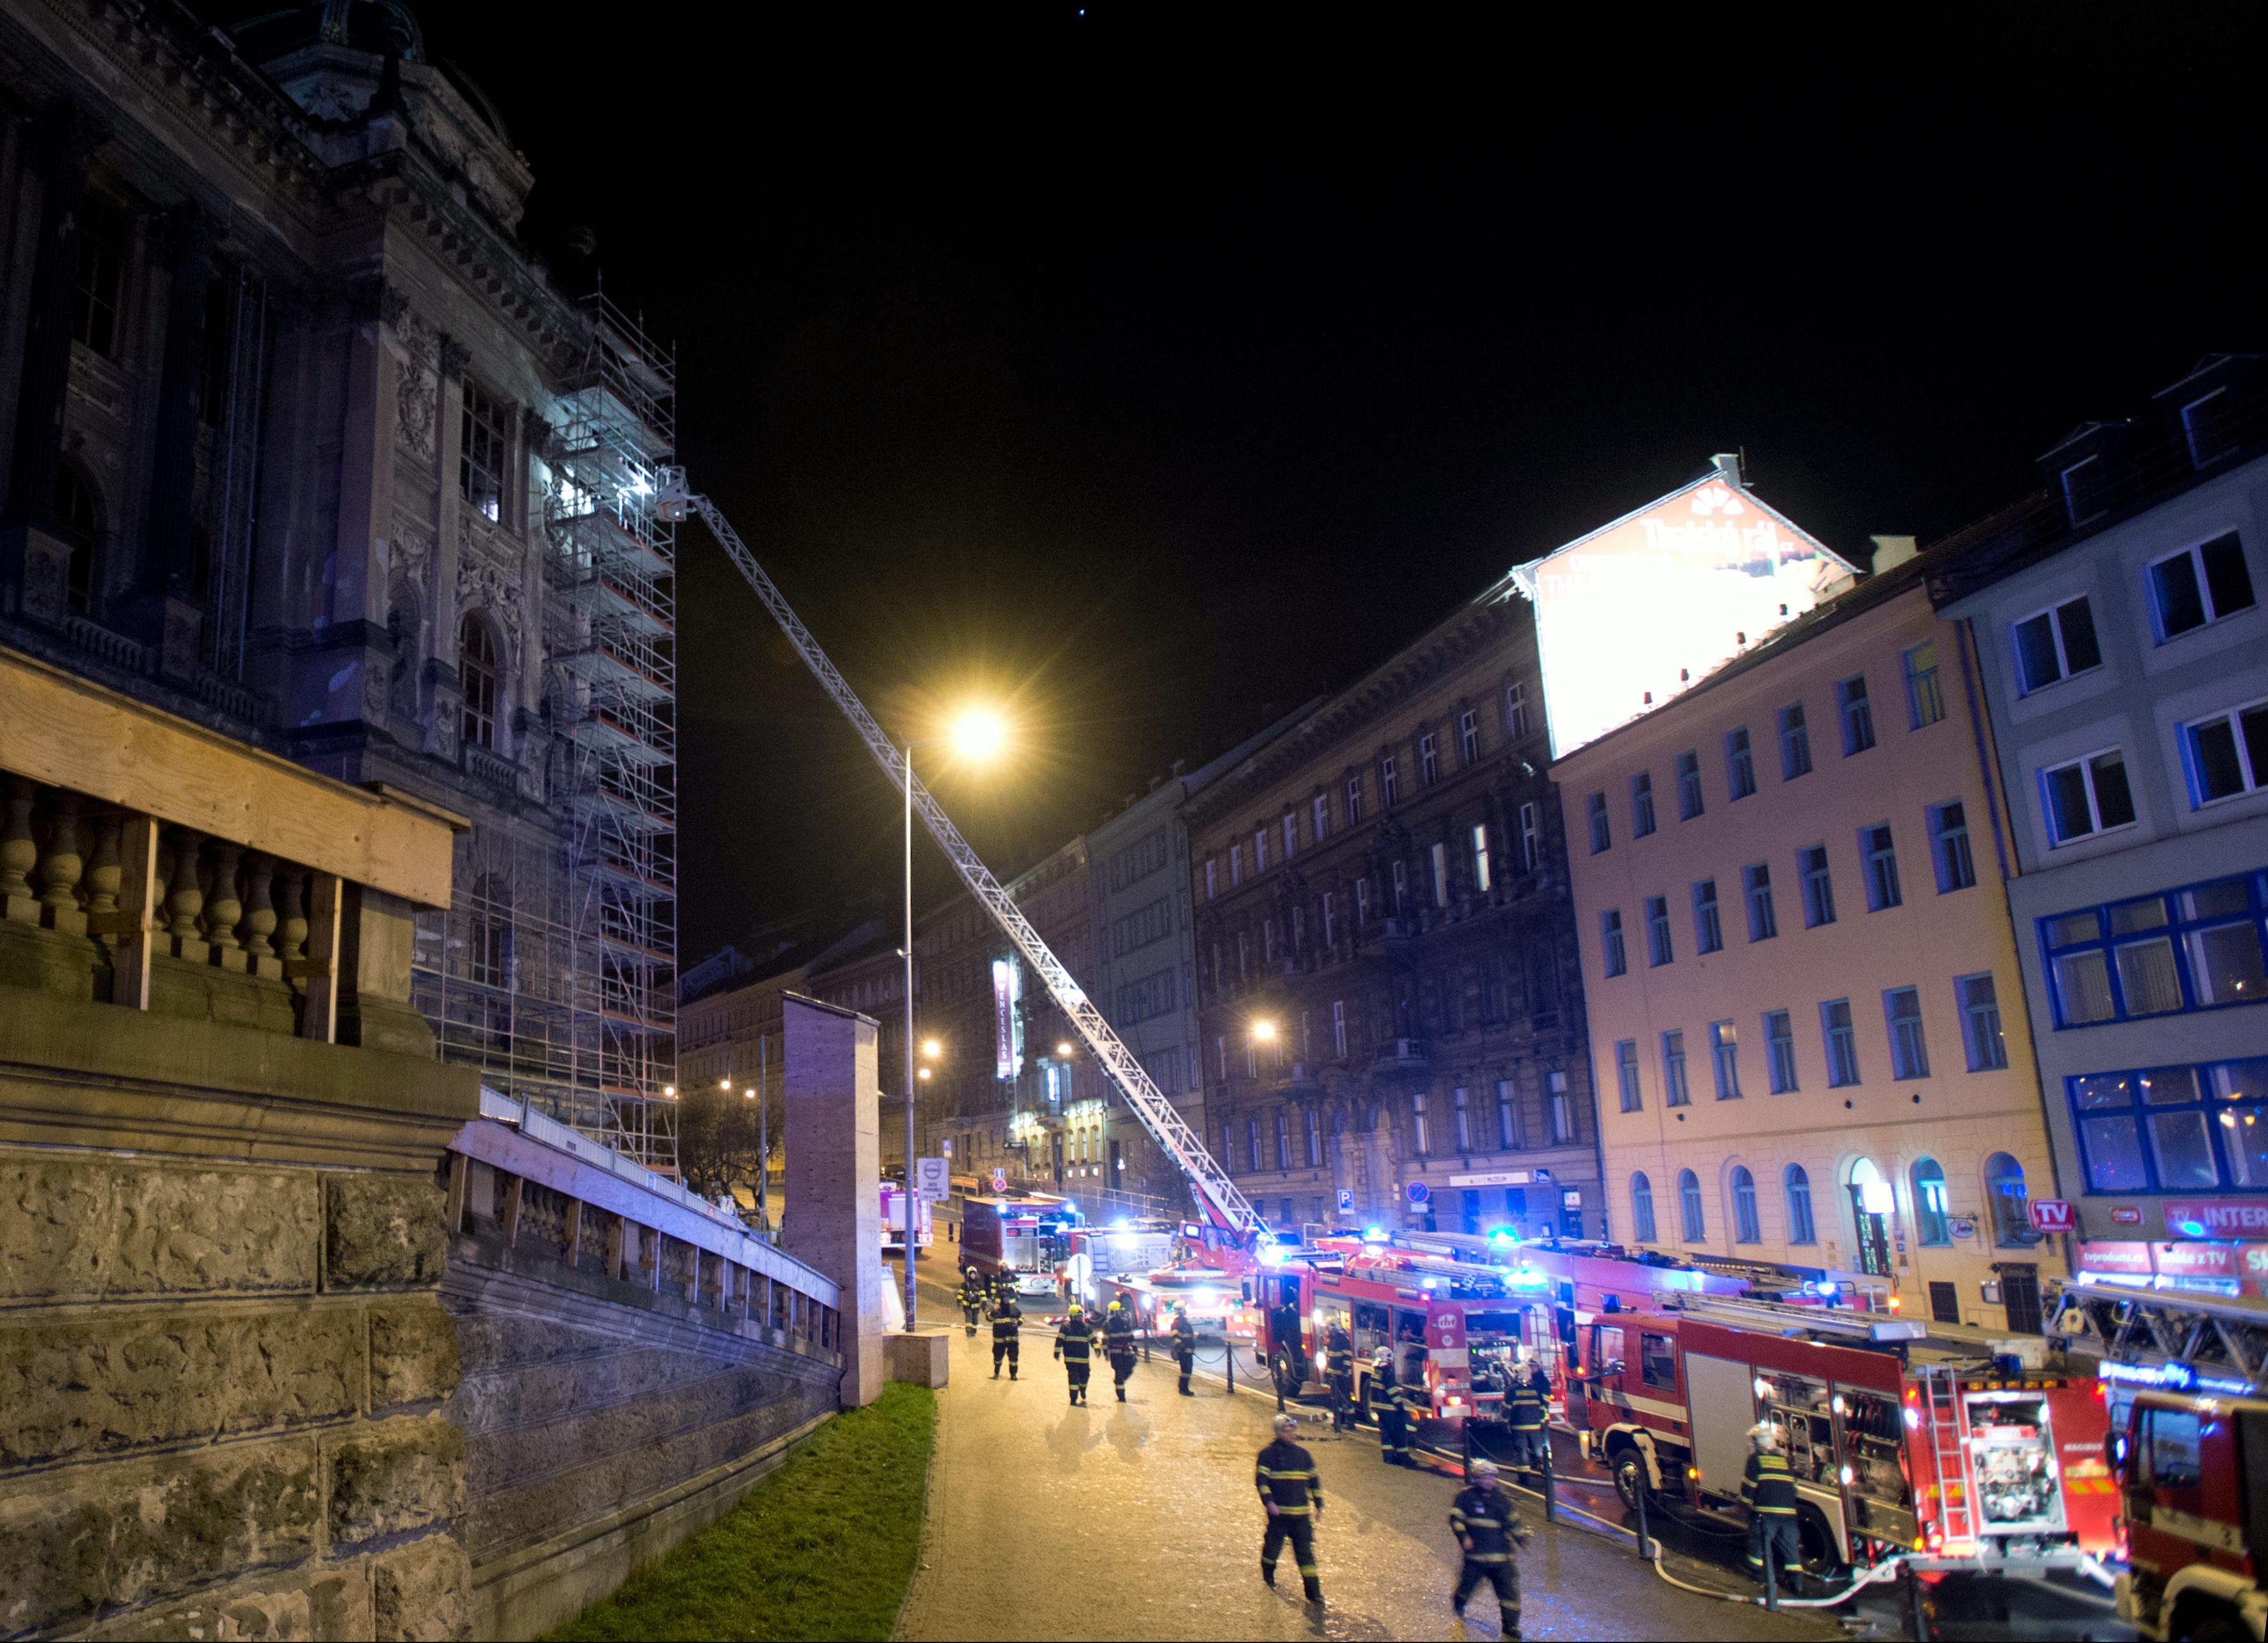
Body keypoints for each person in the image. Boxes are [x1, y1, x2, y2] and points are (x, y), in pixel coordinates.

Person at [1450, 1458, 1531, 1640]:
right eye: (1486, 1477)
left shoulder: (1501, 1500)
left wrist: (1521, 1538)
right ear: (1477, 1478)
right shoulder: (1466, 1498)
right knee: (1467, 1587)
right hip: (1476, 1558)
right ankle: (1459, 1603)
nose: (1489, 1481)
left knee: (1509, 1593)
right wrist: (1464, 1537)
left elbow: (1513, 1522)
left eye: (1492, 1478)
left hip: (1502, 1559)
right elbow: (1456, 1519)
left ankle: (1511, 1626)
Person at [1255, 1413, 1325, 1605]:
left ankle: (1314, 1593)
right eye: (1286, 1431)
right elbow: (1262, 1481)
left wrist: (1319, 1505)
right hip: (1279, 1516)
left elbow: (1314, 1481)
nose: (1290, 1434)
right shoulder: (1267, 1455)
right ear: (1279, 1433)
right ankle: (1268, 1574)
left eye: (1292, 1431)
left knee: (1306, 1555)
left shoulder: (1304, 1456)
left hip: (1301, 1516)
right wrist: (1269, 1502)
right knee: (1272, 1548)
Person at [1740, 1422, 1800, 1593]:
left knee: (1758, 1540)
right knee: (1790, 1545)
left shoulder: (1755, 1460)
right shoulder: (1785, 1461)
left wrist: (1743, 1504)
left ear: (1757, 1443)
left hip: (1765, 1513)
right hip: (1789, 1513)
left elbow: (1749, 1485)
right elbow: (1794, 1488)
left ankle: (1757, 1575)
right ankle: (1796, 1581)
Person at [1503, 1356, 1548, 1481]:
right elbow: (1543, 1407)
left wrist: (1504, 1421)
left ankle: (1524, 1479)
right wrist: (1542, 1422)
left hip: (1518, 1427)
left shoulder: (1511, 1390)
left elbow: (1506, 1409)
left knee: (1521, 1451)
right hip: (1535, 1426)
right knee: (1539, 1451)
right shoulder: (1537, 1389)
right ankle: (1546, 1473)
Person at [1373, 1349, 1412, 1466]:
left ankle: (1388, 1458)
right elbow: (1392, 1392)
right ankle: (1404, 1459)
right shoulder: (1387, 1373)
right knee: (1399, 1433)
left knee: (1386, 1434)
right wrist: (1400, 1406)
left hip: (1380, 1409)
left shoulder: (1376, 1372)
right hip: (1390, 1409)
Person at [1055, 1301, 1094, 1404]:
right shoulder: (1065, 1327)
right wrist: (1057, 1352)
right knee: (1073, 1378)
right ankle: (1073, 1398)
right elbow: (1060, 1340)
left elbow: (1093, 1340)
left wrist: (1097, 1348)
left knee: (1085, 1376)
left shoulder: (1087, 1327)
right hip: (1071, 1359)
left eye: (1081, 1316)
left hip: (1084, 1359)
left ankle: (1082, 1388)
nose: (1081, 1318)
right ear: (1072, 1317)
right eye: (1078, 1316)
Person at [1323, 1316, 1355, 1431]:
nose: (1327, 1329)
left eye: (1328, 1326)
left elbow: (1348, 1355)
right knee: (1336, 1399)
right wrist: (1328, 1371)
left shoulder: (1342, 1339)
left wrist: (1345, 1370)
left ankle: (1350, 1423)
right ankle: (1339, 1421)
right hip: (1335, 1375)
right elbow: (1332, 1357)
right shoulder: (1333, 1339)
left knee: (1345, 1399)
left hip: (1343, 1376)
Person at [1104, 1298, 1139, 1402]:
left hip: (1125, 1351)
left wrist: (1135, 1349)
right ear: (1114, 1312)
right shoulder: (1108, 1325)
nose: (1122, 1313)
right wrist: (1106, 1353)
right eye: (1119, 1311)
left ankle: (1119, 1382)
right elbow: (1105, 1340)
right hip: (1115, 1353)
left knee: (1130, 1368)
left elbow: (1130, 1337)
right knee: (1119, 1373)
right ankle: (1121, 1396)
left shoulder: (1125, 1322)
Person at [990, 1289, 1023, 1380]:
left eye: (1008, 1299)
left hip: (1012, 1339)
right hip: (999, 1339)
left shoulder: (1014, 1309)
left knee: (1013, 1358)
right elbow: (989, 1318)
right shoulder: (997, 1310)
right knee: (998, 1357)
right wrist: (993, 1310)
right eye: (1005, 1299)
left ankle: (1013, 1375)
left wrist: (1018, 1323)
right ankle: (997, 1373)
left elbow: (1021, 1317)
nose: (1007, 1301)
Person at [1170, 1302, 1197, 1395]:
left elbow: (1190, 1334)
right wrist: (1180, 1345)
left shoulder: (1184, 1322)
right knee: (1186, 1371)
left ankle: (1184, 1388)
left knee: (1187, 1370)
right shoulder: (1177, 1323)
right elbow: (1174, 1336)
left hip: (1187, 1350)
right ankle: (1183, 1389)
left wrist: (1201, 1336)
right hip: (1183, 1351)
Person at [959, 1267, 986, 1338]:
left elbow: (983, 1293)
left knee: (975, 1320)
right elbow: (961, 1293)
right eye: (971, 1274)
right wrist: (959, 1301)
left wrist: (984, 1303)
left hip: (976, 1306)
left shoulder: (979, 1284)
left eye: (974, 1274)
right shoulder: (965, 1284)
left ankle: (974, 1332)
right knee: (969, 1318)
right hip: (967, 1305)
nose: (973, 1276)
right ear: (969, 1275)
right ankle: (969, 1332)